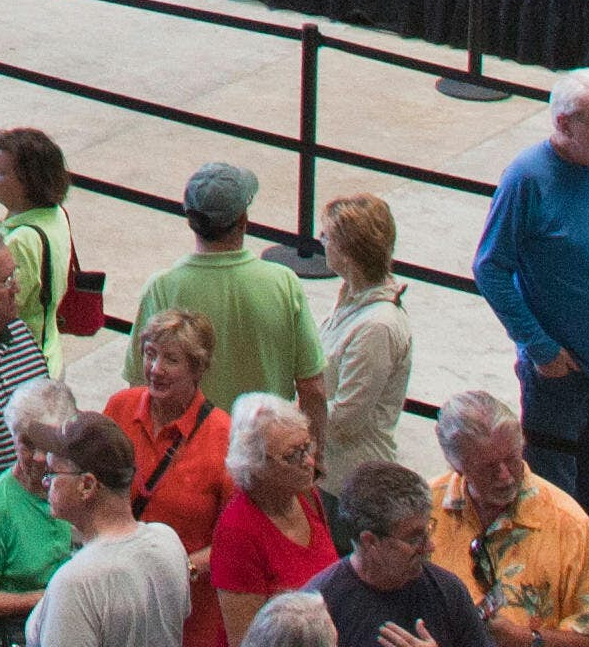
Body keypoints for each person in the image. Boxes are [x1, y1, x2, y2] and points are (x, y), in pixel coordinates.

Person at [467, 76, 589, 506]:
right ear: (565, 124)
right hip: (559, 381)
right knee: (554, 497)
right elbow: (489, 267)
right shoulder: (528, 179)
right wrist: (540, 347)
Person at [422, 390, 589, 647]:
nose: (505, 476)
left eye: (512, 459)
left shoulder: (568, 523)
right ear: (456, 465)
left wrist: (526, 640)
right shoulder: (424, 509)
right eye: (489, 467)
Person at [140, 165, 323, 410]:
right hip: (263, 443)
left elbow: (140, 384)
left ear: (190, 221)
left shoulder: (161, 287)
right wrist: (314, 446)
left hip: (187, 445)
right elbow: (313, 388)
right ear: (243, 220)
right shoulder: (283, 283)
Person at [102, 308, 232, 610]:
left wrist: (177, 572)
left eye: (171, 360)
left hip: (185, 607)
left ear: (197, 368)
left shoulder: (224, 436)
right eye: (150, 354)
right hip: (117, 596)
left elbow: (233, 541)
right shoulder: (119, 408)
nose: (156, 369)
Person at [25, 420, 187, 647]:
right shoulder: (167, 540)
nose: (45, 483)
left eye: (52, 473)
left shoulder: (75, 583)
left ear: (87, 485)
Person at [206, 400, 345, 647]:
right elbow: (245, 641)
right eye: (293, 455)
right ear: (256, 464)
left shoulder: (306, 496)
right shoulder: (237, 532)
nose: (309, 462)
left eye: (307, 447)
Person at [311, 462, 486, 647]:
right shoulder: (318, 612)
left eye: (428, 529)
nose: (430, 546)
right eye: (414, 539)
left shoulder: (447, 590)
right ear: (370, 542)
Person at [0, 385, 86, 631]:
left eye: (47, 444)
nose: (38, 457)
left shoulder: (74, 483)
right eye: (27, 444)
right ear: (13, 438)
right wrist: (53, 595)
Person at [313, 202, 412, 494]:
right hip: (329, 471)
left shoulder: (376, 327)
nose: (322, 241)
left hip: (349, 482)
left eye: (327, 237)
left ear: (347, 252)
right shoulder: (351, 298)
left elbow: (347, 418)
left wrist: (293, 409)